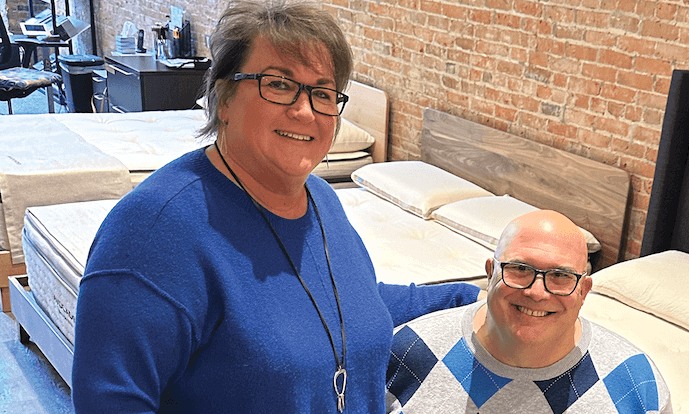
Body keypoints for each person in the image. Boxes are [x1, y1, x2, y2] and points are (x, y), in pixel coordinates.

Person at [71, 1, 481, 412]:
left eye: (322, 92)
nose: (304, 111)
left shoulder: (320, 199)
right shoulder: (153, 232)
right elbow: (111, 402)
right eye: (279, 84)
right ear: (224, 97)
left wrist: (476, 297)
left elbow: (352, 303)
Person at [386, 210, 672, 413]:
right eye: (520, 269)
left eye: (560, 275)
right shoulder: (409, 351)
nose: (537, 292)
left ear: (583, 292)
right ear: (490, 273)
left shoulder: (634, 381)